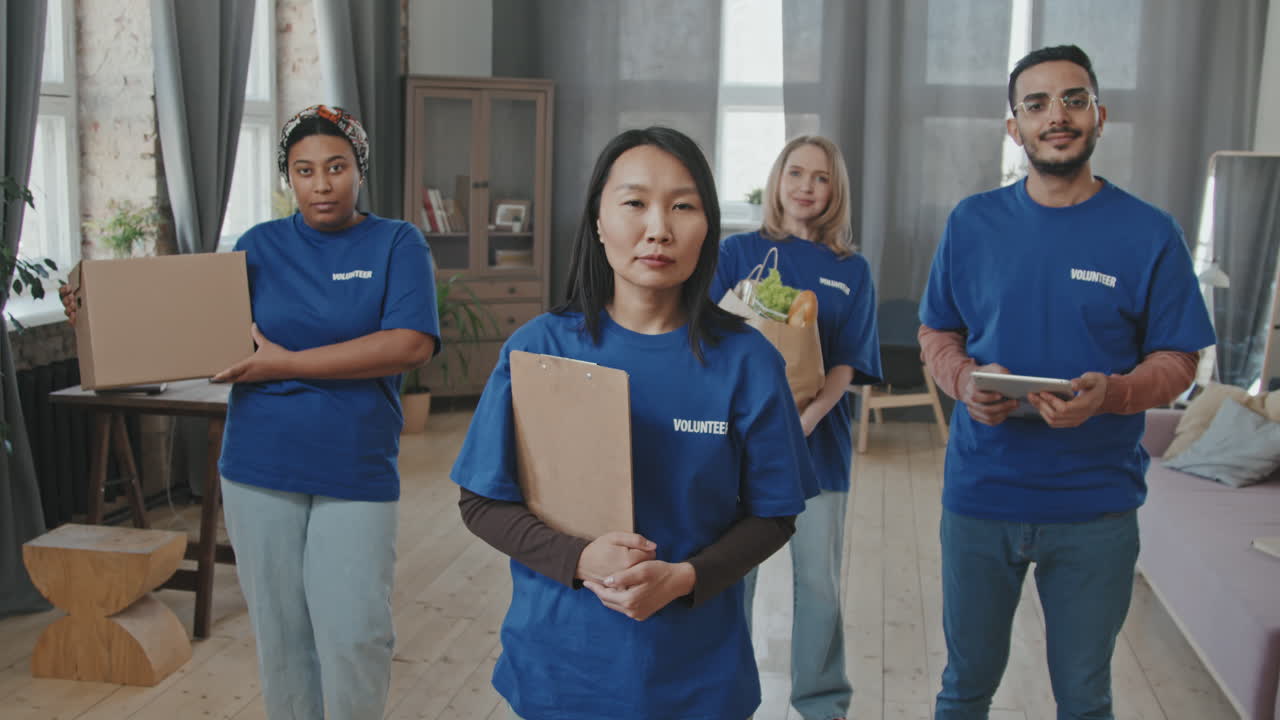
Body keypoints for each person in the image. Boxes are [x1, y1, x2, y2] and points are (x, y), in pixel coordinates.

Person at [450, 126, 817, 720]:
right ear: (598, 220)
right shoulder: (539, 349)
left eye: (682, 206)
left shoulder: (748, 363)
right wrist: (577, 558)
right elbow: (481, 502)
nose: (658, 229)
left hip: (697, 676)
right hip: (560, 668)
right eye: (634, 203)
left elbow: (776, 513)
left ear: (708, 226)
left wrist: (683, 578)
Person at [917, 46, 1214, 719]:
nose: (1058, 115)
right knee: (964, 689)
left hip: (1096, 507)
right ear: (1013, 127)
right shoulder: (972, 223)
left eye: (1074, 100)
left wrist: (1114, 393)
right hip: (981, 497)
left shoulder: (1150, 233)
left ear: (1100, 116)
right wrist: (963, 380)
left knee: (1084, 698)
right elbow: (938, 333)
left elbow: (1178, 360)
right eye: (1037, 103)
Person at [195, 106, 439, 719]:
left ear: (360, 170)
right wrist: (95, 311)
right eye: (304, 171)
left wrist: (288, 364)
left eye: (336, 167)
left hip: (353, 468)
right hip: (258, 466)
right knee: (282, 641)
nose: (322, 184)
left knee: (357, 634)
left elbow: (408, 343)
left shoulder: (396, 243)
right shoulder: (256, 246)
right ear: (289, 178)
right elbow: (196, 329)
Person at [710, 135, 882, 720]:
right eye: (796, 173)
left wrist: (807, 417)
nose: (806, 186)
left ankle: (821, 702)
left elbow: (846, 363)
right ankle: (722, 695)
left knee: (820, 584)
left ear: (836, 192)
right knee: (734, 578)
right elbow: (709, 338)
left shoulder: (850, 270)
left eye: (821, 178)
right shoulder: (738, 254)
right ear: (777, 181)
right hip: (740, 446)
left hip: (819, 446)